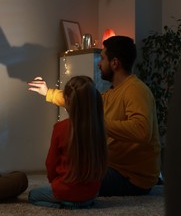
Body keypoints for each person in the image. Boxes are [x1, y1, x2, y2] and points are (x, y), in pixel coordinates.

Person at [28, 36, 161, 196]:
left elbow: (142, 130)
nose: (99, 63)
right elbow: (83, 100)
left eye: (102, 58)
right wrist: (48, 92)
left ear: (114, 63)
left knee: (75, 178)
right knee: (71, 168)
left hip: (131, 177)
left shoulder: (136, 90)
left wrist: (98, 123)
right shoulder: (112, 93)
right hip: (112, 166)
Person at [28, 76, 108, 208]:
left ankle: (66, 205)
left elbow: (51, 163)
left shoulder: (61, 128)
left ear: (67, 102)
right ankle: (79, 202)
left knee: (32, 195)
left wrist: (55, 184)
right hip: (92, 193)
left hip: (65, 191)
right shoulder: (99, 128)